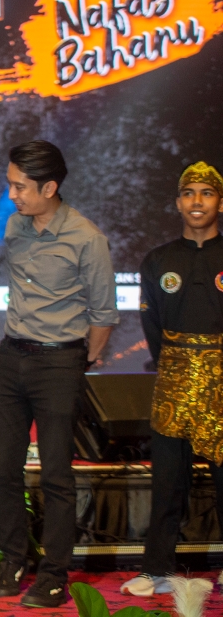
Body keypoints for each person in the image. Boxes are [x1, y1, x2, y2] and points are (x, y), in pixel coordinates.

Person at [0, 140, 119, 608]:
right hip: (9, 358)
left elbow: (104, 315)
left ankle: (54, 573)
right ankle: (13, 559)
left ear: (50, 187)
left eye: (20, 187)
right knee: (4, 468)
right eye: (10, 184)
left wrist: (75, 361)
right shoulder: (15, 226)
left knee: (58, 473)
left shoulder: (87, 238)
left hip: (60, 361)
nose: (12, 195)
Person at [120, 162, 223, 597]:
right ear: (178, 202)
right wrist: (176, 364)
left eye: (206, 193)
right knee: (167, 479)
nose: (196, 201)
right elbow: (152, 324)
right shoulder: (159, 259)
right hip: (174, 379)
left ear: (220, 201)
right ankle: (157, 569)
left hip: (222, 382)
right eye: (188, 193)